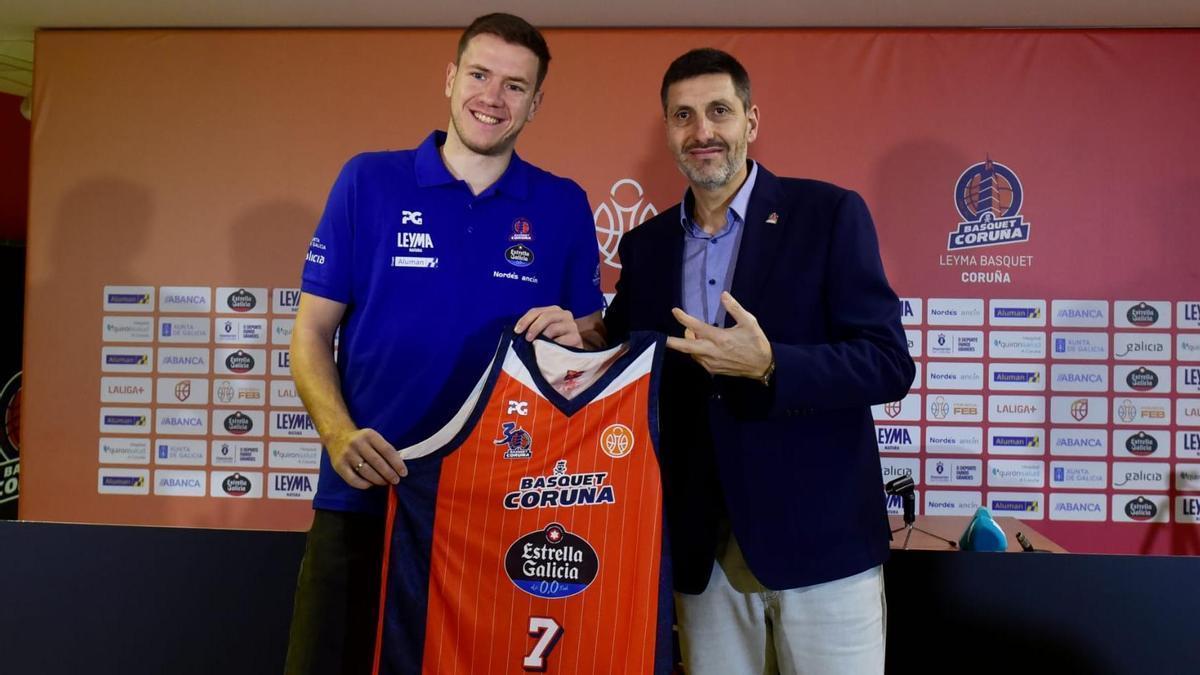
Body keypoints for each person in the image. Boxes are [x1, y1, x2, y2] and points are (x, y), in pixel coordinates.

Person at [284, 14, 604, 674]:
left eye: (515, 86)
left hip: (498, 509)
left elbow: (592, 336)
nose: (493, 97)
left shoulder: (563, 204)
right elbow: (310, 333)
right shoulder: (368, 181)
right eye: (480, 75)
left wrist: (580, 336)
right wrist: (339, 434)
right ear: (450, 78)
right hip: (368, 493)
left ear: (536, 104)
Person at [603, 48, 914, 674]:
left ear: (751, 120)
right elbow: (629, 364)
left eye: (719, 111)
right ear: (668, 131)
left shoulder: (828, 215)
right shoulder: (646, 246)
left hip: (823, 547)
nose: (702, 131)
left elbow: (887, 363)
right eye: (683, 116)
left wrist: (773, 365)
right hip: (703, 555)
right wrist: (581, 336)